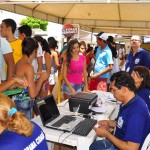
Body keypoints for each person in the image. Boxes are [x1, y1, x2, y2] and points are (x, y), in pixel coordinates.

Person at [90, 71, 150, 150]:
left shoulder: (136, 112)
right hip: (119, 143)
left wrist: (107, 134)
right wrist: (109, 123)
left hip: (125, 147)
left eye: (114, 90)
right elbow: (124, 123)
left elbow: (132, 148)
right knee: (91, 145)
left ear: (124, 90)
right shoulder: (128, 102)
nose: (112, 93)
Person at [13, 37, 48, 119]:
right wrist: (41, 80)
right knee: (25, 130)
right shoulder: (28, 67)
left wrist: (35, 76)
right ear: (34, 51)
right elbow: (32, 94)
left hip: (16, 101)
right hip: (24, 103)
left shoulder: (18, 63)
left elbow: (23, 81)